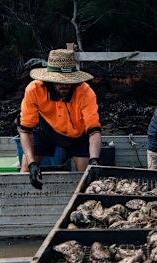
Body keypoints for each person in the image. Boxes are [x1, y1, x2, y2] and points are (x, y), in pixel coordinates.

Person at [19, 49, 102, 190]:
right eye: (59, 82)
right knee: (27, 169)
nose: (64, 85)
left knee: (88, 177)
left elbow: (94, 131)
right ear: (49, 80)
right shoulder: (34, 90)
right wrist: (33, 163)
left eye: (68, 82)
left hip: (78, 134)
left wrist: (95, 160)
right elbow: (25, 130)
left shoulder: (85, 92)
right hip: (46, 130)